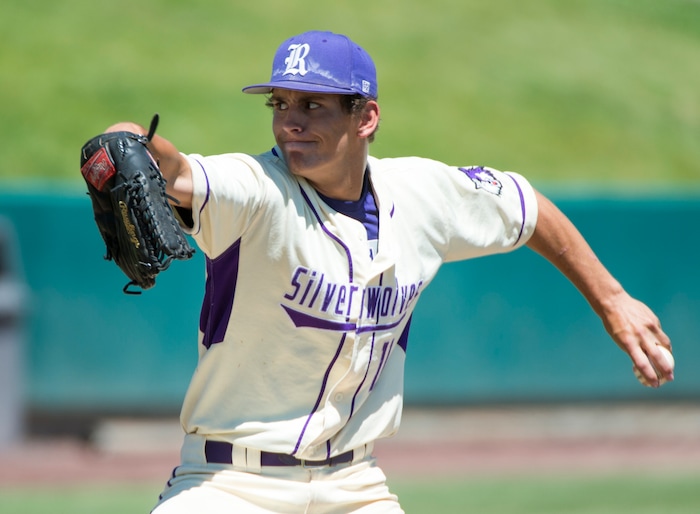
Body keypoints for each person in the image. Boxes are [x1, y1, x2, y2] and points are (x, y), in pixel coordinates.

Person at [102, 30, 673, 514]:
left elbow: (525, 207)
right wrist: (124, 138)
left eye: (314, 105)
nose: (290, 123)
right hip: (228, 486)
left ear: (367, 116)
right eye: (281, 104)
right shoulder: (255, 190)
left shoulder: (423, 194)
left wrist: (612, 300)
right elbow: (174, 169)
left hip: (355, 486)